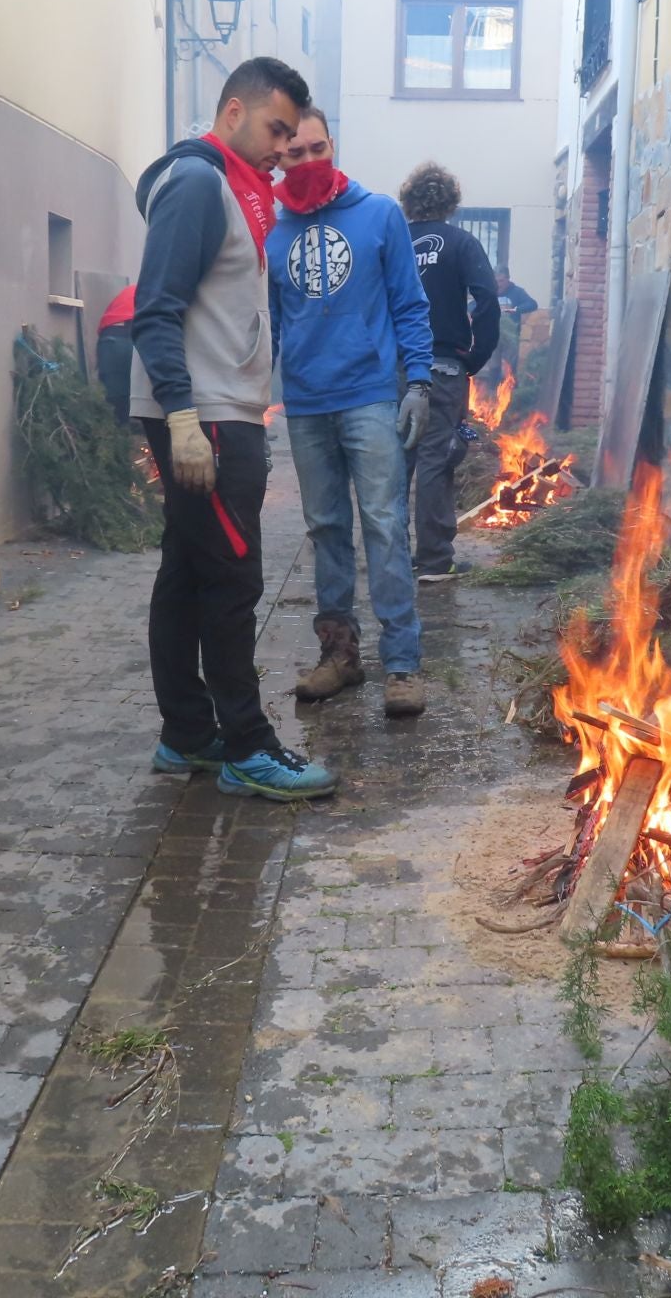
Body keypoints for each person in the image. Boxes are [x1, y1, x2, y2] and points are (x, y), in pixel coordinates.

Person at [128, 58, 337, 800]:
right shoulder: (197, 183)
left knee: (187, 572)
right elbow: (154, 307)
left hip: (220, 407)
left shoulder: (243, 193)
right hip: (205, 415)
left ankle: (185, 733)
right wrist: (182, 418)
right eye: (277, 130)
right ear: (232, 112)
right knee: (232, 575)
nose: (284, 148)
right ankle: (248, 745)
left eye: (292, 134)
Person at [268, 109, 434, 717]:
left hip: (369, 395)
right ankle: (339, 656)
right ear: (279, 158)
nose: (308, 161)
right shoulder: (273, 230)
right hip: (307, 403)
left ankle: (403, 665)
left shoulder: (379, 214)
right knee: (326, 530)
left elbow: (410, 305)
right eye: (294, 154)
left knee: (387, 526)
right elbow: (271, 323)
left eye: (318, 148)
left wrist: (418, 381)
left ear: (332, 145)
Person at [400, 162, 501, 582]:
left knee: (393, 464)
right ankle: (435, 561)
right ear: (450, 202)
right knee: (435, 460)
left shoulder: (394, 241)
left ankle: (389, 554)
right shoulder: (461, 243)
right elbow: (488, 300)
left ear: (409, 200)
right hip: (442, 368)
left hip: (393, 369)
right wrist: (474, 358)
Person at [94, 284, 135, 421]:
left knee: (113, 398)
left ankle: (112, 434)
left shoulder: (132, 289)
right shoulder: (165, 292)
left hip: (109, 339)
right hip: (135, 337)